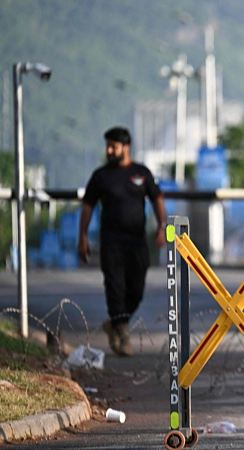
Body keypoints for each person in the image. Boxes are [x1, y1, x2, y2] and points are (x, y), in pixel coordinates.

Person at [77, 126, 166, 357]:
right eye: (107, 145)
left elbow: (157, 199)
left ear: (126, 148)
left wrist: (161, 227)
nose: (109, 150)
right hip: (111, 242)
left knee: (136, 289)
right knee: (115, 286)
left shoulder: (142, 173)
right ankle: (123, 332)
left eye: (113, 146)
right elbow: (87, 206)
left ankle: (115, 323)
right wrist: (83, 237)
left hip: (137, 241)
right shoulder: (101, 176)